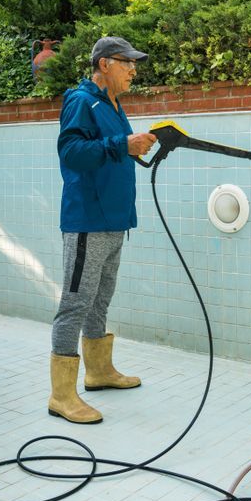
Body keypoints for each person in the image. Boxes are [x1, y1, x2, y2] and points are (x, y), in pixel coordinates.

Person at [48, 36, 157, 424]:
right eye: (127, 63)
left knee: (100, 299)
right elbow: (71, 152)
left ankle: (98, 372)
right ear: (106, 64)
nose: (133, 70)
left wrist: (134, 144)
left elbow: (114, 148)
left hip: (113, 221)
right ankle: (61, 395)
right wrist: (120, 145)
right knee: (75, 303)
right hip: (87, 222)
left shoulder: (114, 104)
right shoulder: (81, 101)